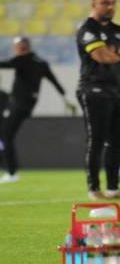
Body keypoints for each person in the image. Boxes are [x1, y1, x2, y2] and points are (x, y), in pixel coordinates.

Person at [76, 0, 120, 200]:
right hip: (93, 89)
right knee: (96, 139)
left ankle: (113, 188)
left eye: (113, 2)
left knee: (118, 141)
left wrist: (117, 51)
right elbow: (102, 56)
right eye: (105, 3)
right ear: (94, 4)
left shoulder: (118, 30)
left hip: (115, 90)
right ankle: (94, 189)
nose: (110, 6)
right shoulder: (87, 29)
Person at [0, 36, 72, 184]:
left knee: (5, 136)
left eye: (17, 47)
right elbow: (55, 81)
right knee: (5, 136)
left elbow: (4, 64)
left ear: (21, 47)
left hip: (18, 104)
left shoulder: (22, 60)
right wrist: (67, 99)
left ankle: (12, 172)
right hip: (28, 105)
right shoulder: (41, 62)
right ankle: (11, 171)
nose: (16, 50)